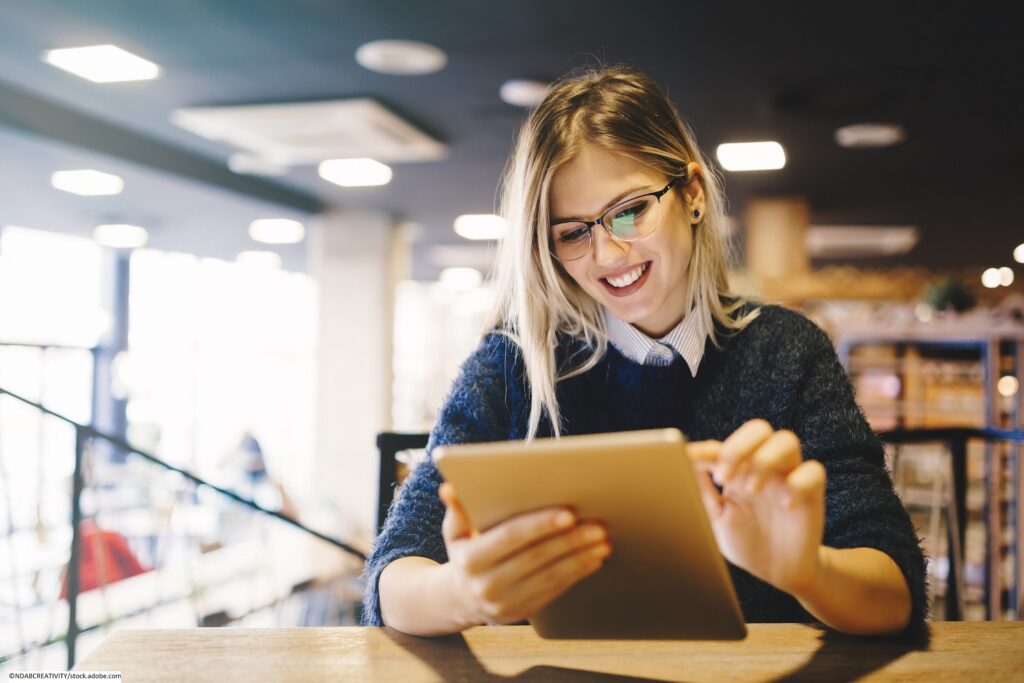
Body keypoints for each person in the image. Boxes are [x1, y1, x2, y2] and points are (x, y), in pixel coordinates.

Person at [363, 65, 926, 637]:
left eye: (630, 210)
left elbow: (894, 591)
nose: (608, 255)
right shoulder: (514, 364)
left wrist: (807, 571)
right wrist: (460, 592)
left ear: (693, 194)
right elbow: (394, 576)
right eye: (573, 232)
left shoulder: (786, 351)